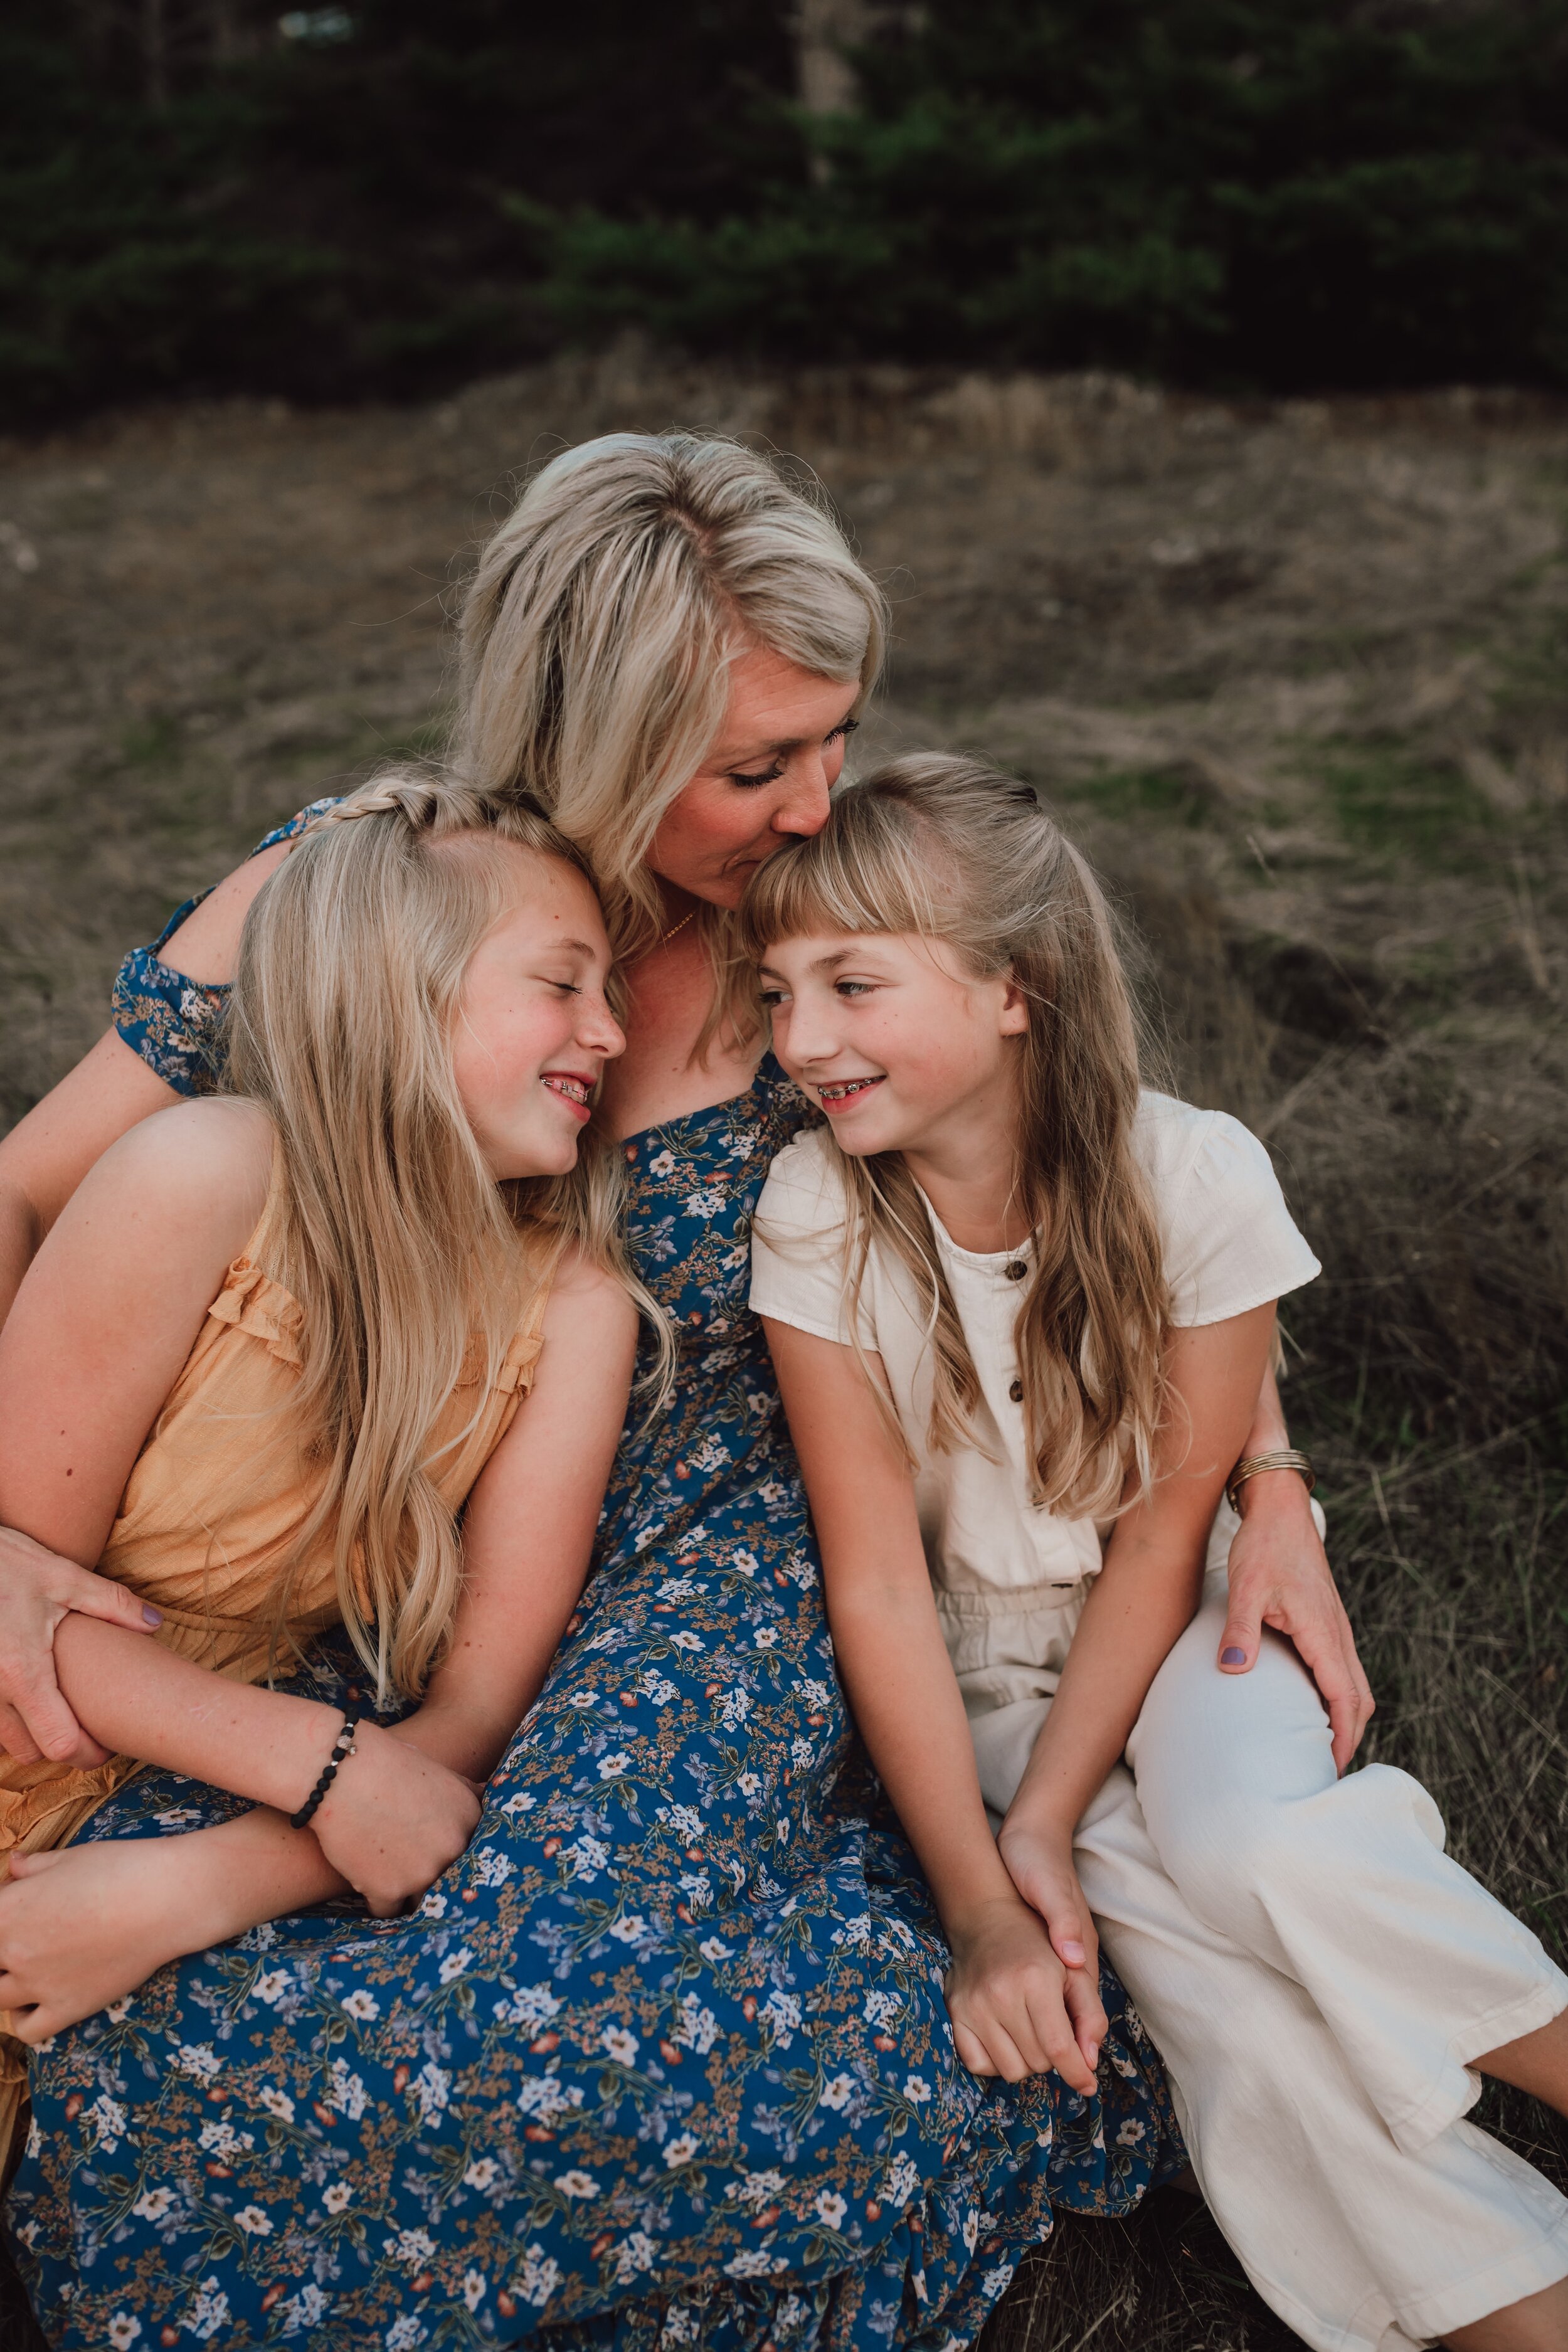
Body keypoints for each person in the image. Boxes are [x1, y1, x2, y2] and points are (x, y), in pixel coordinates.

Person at [0, 437, 1329, 2349]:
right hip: (380, 1531)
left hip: (716, 1564)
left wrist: (1263, 1466)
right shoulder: (363, 887)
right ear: (599, 733)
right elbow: (35, 1184)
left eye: (832, 738)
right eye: (749, 766)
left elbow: (1122, 1175)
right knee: (148, 2054)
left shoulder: (830, 934)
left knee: (540, 2001)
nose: (812, 804)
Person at [743, 753, 1568, 2352]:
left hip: (1186, 1612)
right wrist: (988, 1897)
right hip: (973, 1664)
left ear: (1015, 988)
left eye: (850, 983)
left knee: (1263, 1853)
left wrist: (1046, 1819)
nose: (801, 1042)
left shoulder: (1189, 1174)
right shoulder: (816, 1211)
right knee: (1230, 2021)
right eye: (778, 993)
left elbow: (1159, 1538)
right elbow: (876, 1584)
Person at [0, 773, 644, 2180]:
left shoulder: (573, 1306)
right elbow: (22, 1617)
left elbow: (477, 1704)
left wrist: (233, 1870)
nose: (610, 1031)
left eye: (611, 988)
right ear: (398, 993)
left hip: (163, 1791)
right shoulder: (205, 1176)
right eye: (560, 983)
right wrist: (325, 1768)